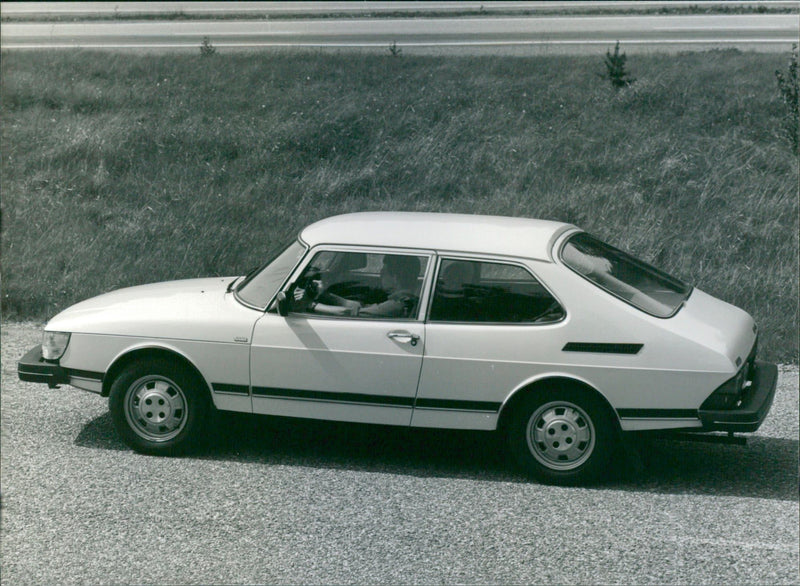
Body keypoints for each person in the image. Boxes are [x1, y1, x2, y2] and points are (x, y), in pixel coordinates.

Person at [294, 255, 421, 318]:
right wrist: (324, 295)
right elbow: (359, 307)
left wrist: (311, 305)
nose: (381, 273)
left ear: (396, 277)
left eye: (384, 271)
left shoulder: (396, 305)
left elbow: (349, 313)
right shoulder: (403, 299)